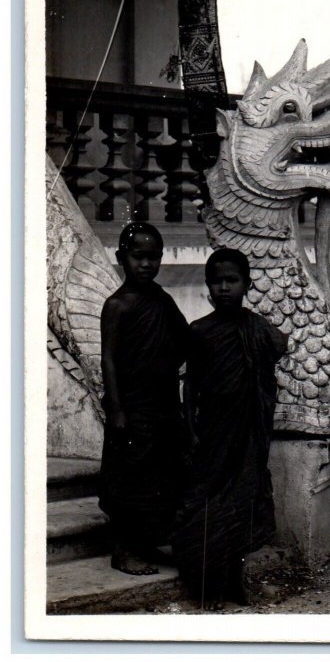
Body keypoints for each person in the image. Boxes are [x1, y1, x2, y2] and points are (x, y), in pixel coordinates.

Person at [172, 248, 288, 609]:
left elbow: (278, 348)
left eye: (231, 280)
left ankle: (235, 582)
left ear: (247, 285)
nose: (224, 288)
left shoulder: (257, 328)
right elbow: (190, 384)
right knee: (206, 508)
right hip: (212, 432)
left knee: (241, 506)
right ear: (207, 286)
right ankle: (206, 588)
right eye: (216, 281)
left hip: (248, 431)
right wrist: (190, 426)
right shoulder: (200, 331)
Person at [98, 222, 190, 576]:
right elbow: (107, 358)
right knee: (128, 479)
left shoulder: (162, 301)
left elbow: (184, 342)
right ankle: (122, 551)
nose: (147, 265)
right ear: (122, 257)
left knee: (161, 478)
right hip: (132, 408)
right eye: (139, 257)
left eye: (154, 257)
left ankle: (147, 544)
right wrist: (118, 409)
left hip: (162, 404)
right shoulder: (117, 305)